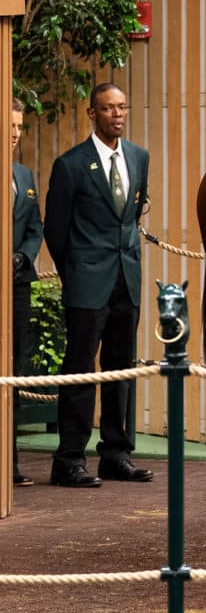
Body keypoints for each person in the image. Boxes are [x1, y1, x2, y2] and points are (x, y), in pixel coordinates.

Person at [43, 83, 153, 487]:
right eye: (108, 109)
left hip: (127, 280)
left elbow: (133, 214)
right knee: (80, 369)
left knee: (121, 370)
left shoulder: (139, 157)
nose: (117, 115)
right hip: (87, 282)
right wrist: (75, 273)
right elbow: (55, 230)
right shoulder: (71, 164)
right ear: (92, 113)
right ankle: (69, 458)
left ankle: (115, 454)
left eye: (122, 107)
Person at [11, 97, 43, 487]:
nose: (15, 134)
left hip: (17, 286)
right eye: (10, 126)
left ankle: (9, 462)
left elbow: (35, 227)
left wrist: (23, 256)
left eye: (20, 127)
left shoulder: (25, 174)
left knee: (14, 373)